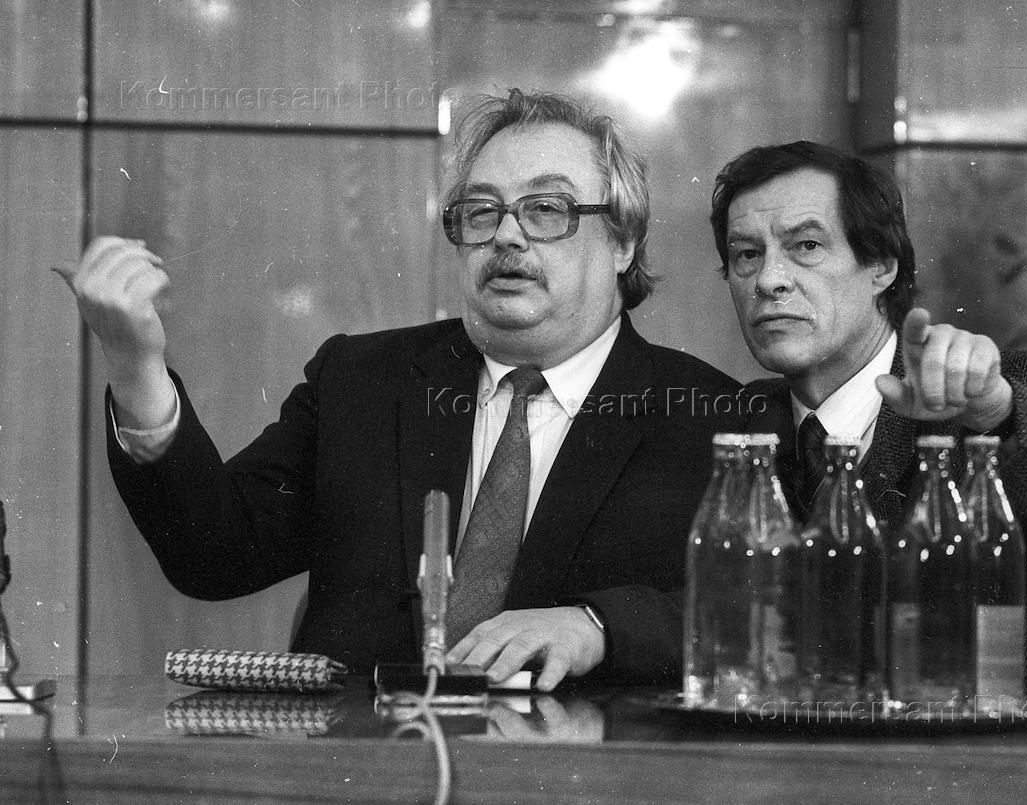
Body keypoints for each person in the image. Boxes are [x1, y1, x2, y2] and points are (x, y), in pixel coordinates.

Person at [55, 89, 742, 690]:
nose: (506, 235)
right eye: (481, 211)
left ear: (623, 241)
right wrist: (135, 364)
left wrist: (599, 625)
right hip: (367, 765)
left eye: (546, 208)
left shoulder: (709, 417)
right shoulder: (363, 382)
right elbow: (214, 555)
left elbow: (759, 611)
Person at [710, 139, 1027, 670]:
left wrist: (1000, 416)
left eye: (806, 245)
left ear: (881, 267)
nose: (769, 279)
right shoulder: (737, 423)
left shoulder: (1006, 396)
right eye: (747, 254)